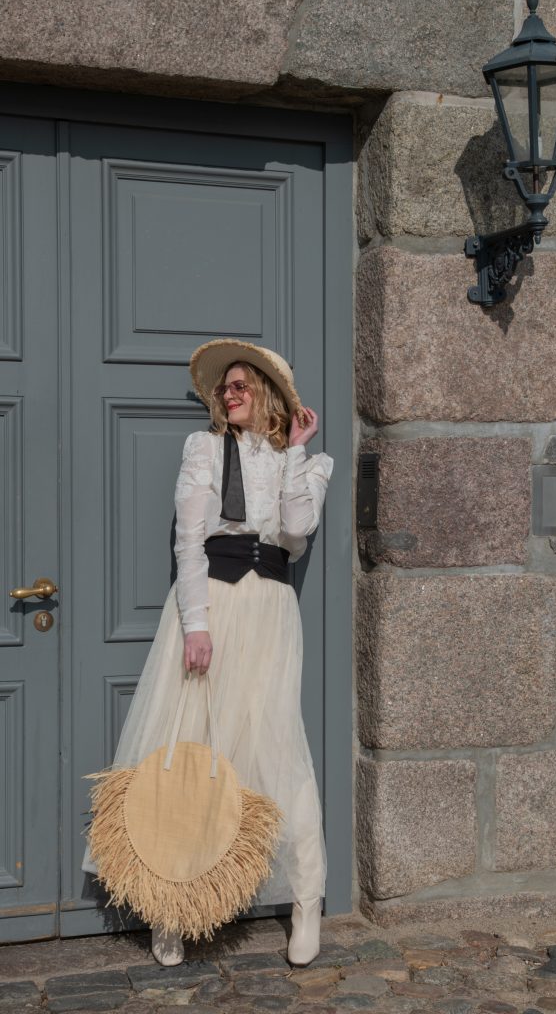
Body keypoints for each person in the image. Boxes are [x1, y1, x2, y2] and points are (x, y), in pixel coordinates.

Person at [82, 338, 333, 968]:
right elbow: (189, 543)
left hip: (271, 613)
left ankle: (307, 902)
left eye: (243, 384)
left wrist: (299, 455)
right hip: (211, 608)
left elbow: (295, 536)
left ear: (270, 394)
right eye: (226, 386)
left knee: (278, 749)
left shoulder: (305, 461)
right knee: (188, 750)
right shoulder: (202, 449)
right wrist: (196, 625)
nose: (231, 392)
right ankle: (170, 904)